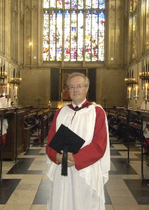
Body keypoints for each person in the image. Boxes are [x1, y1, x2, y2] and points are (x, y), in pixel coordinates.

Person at [46, 72, 110, 210]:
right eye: (72, 87)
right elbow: (50, 141)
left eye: (79, 86)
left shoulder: (97, 112)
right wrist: (56, 156)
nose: (75, 90)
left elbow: (99, 145)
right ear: (68, 90)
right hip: (61, 168)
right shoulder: (61, 112)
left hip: (86, 169)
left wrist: (76, 158)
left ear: (86, 88)